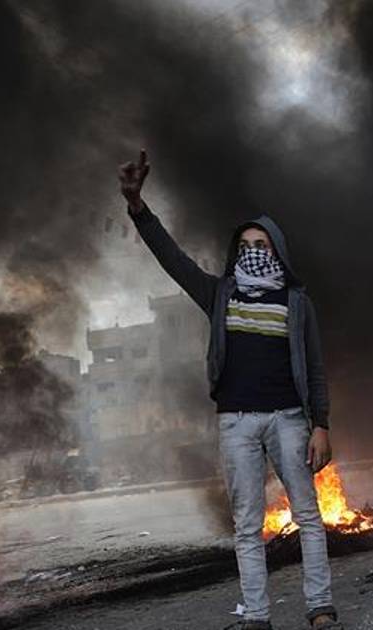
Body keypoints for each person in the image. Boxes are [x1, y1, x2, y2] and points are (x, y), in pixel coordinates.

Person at [118, 149, 343, 630]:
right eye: (245, 245)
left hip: (289, 419)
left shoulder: (296, 303)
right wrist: (138, 207)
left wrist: (320, 425)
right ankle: (257, 617)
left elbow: (315, 368)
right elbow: (173, 259)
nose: (253, 250)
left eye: (261, 243)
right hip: (237, 422)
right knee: (246, 524)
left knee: (308, 515)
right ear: (235, 251)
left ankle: (320, 608)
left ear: (277, 249)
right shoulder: (220, 294)